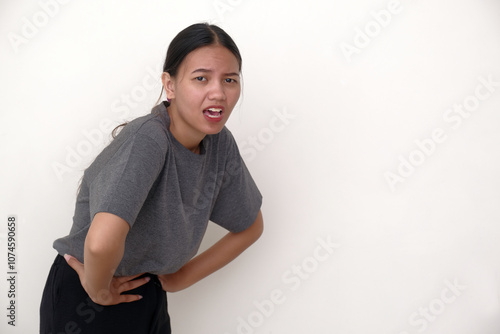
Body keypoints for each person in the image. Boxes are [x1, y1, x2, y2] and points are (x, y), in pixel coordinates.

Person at [40, 22, 263, 334]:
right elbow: (101, 243)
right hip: (87, 296)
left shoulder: (220, 144)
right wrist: (98, 289)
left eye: (230, 80)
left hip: (146, 292)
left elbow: (251, 226)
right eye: (201, 78)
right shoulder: (150, 139)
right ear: (169, 85)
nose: (219, 92)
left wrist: (182, 277)